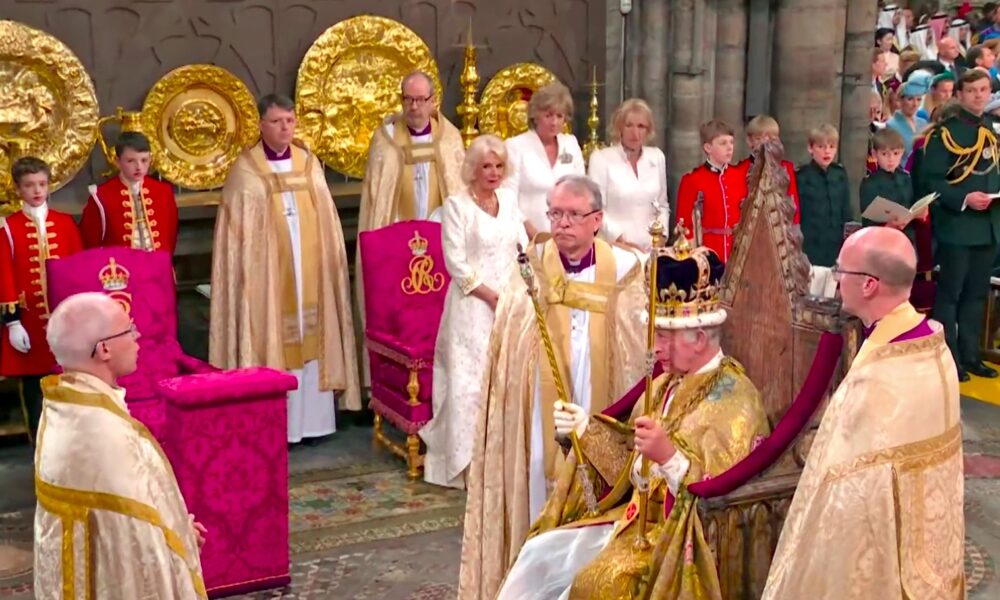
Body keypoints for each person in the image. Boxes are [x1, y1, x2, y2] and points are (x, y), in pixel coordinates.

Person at [494, 235, 769, 600]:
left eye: (666, 337)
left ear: (700, 337)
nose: (655, 348)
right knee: (537, 556)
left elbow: (723, 497)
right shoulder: (663, 386)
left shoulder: (736, 399)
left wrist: (670, 457)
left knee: (596, 584)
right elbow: (630, 462)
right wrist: (585, 430)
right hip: (630, 520)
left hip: (672, 538)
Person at [458, 174, 647, 600]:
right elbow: (511, 346)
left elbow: (636, 355)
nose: (561, 223)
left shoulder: (624, 272)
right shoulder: (529, 270)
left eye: (573, 215)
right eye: (555, 213)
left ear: (596, 219)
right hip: (538, 413)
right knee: (540, 479)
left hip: (600, 400)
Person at [762, 227, 964, 600]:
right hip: (929, 552)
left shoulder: (881, 375)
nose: (836, 279)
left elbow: (846, 492)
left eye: (841, 270)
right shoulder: (933, 346)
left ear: (869, 285)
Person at [34, 292, 208, 599]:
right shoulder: (105, 433)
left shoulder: (66, 407)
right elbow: (137, 542)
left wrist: (177, 525)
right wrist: (179, 537)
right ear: (104, 349)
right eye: (129, 330)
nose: (137, 338)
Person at [209, 93, 360, 442]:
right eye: (277, 122)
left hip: (311, 272)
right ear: (261, 125)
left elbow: (327, 223)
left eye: (290, 121)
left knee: (312, 333)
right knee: (275, 334)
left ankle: (315, 424)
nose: (285, 128)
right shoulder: (245, 170)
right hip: (268, 280)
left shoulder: (309, 164)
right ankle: (276, 428)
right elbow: (238, 240)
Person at [420, 135, 528, 489]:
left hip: (510, 301)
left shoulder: (510, 201)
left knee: (506, 378)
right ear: (473, 170)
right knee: (469, 384)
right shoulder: (456, 206)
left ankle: (500, 459)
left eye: (498, 166)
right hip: (471, 306)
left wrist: (521, 290)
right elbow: (457, 265)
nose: (494, 173)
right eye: (486, 166)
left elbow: (521, 250)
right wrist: (490, 296)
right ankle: (465, 463)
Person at [924, 69, 1000, 381]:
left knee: (976, 296)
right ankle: (948, 357)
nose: (979, 96)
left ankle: (971, 355)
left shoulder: (993, 133)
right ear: (959, 94)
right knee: (951, 295)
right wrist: (965, 197)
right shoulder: (944, 135)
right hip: (958, 225)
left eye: (984, 90)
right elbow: (930, 181)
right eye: (972, 91)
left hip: (988, 226)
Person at [0, 157, 82, 440]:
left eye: (42, 184)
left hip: (65, 321)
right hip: (30, 324)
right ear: (18, 189)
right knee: (35, 391)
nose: (37, 191)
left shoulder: (65, 223)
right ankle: (40, 449)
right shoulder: (8, 228)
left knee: (71, 386)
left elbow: (77, 271)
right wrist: (12, 323)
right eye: (29, 185)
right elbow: (5, 276)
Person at [503, 81, 585, 233]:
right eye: (548, 115)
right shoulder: (516, 146)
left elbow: (582, 192)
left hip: (566, 234)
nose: (554, 122)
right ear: (535, 115)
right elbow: (507, 197)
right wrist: (528, 230)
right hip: (526, 235)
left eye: (559, 116)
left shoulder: (571, 144)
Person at [587, 98, 668, 251]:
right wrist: (621, 241)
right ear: (619, 127)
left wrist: (661, 236)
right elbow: (595, 209)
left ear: (648, 130)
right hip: (614, 247)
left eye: (641, 126)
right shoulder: (601, 159)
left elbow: (663, 204)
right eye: (629, 125)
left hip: (652, 248)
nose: (635, 133)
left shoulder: (657, 157)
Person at [79, 131, 179, 254]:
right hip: (120, 270)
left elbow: (170, 237)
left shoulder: (163, 192)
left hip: (158, 268)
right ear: (117, 161)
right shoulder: (101, 197)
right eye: (131, 161)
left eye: (144, 160)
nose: (139, 167)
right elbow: (90, 245)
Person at [675, 119, 747, 262]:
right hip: (707, 253)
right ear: (708, 148)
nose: (730, 147)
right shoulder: (692, 180)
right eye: (723, 143)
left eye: (731, 142)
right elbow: (684, 226)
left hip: (739, 253)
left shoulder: (740, 176)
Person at [795, 124, 851, 268]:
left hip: (835, 243)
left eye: (831, 147)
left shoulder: (840, 174)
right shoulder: (801, 177)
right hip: (811, 244)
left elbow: (846, 208)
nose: (827, 151)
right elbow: (796, 213)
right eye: (821, 147)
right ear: (810, 148)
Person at [860, 127, 928, 241]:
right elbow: (867, 220)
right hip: (881, 240)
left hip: (906, 237)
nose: (891, 159)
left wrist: (920, 213)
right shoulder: (869, 184)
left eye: (895, 153)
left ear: (902, 153)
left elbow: (912, 207)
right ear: (874, 154)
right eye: (884, 154)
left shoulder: (906, 178)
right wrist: (889, 225)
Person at [735, 114, 800, 223]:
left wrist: (793, 226)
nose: (765, 143)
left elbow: (793, 201)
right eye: (759, 138)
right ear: (750, 141)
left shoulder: (786, 168)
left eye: (771, 138)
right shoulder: (741, 169)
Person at [887, 74, 931, 165]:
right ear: (900, 100)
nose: (915, 104)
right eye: (910, 99)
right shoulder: (891, 125)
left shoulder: (923, 123)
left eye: (919, 99)